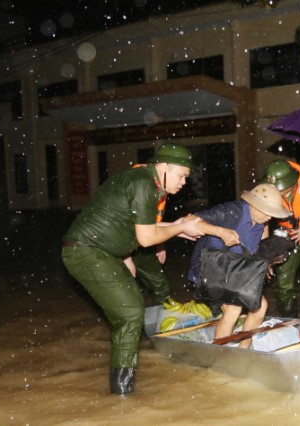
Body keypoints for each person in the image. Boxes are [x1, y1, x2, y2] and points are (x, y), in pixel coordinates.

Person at [61, 143, 233, 395]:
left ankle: (122, 389)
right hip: (86, 251)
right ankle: (122, 393)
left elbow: (126, 223)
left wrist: (172, 227)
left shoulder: (143, 180)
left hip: (106, 253)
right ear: (163, 166)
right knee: (131, 314)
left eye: (187, 176)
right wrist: (180, 228)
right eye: (181, 175)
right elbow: (146, 238)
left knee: (130, 310)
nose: (184, 182)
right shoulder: (145, 185)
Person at [187, 183, 290, 347]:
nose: (269, 217)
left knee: (260, 306)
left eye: (272, 213)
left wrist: (267, 262)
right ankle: (219, 356)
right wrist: (221, 232)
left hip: (235, 270)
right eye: (266, 211)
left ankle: (243, 352)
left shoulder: (263, 223)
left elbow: (259, 251)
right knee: (233, 308)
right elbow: (190, 221)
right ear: (253, 204)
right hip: (210, 268)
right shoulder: (233, 212)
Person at [262, 160, 300, 318]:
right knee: (283, 286)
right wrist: (266, 254)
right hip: (286, 239)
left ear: (292, 182)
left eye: (280, 189)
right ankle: (291, 324)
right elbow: (263, 222)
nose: (276, 192)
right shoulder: (268, 189)